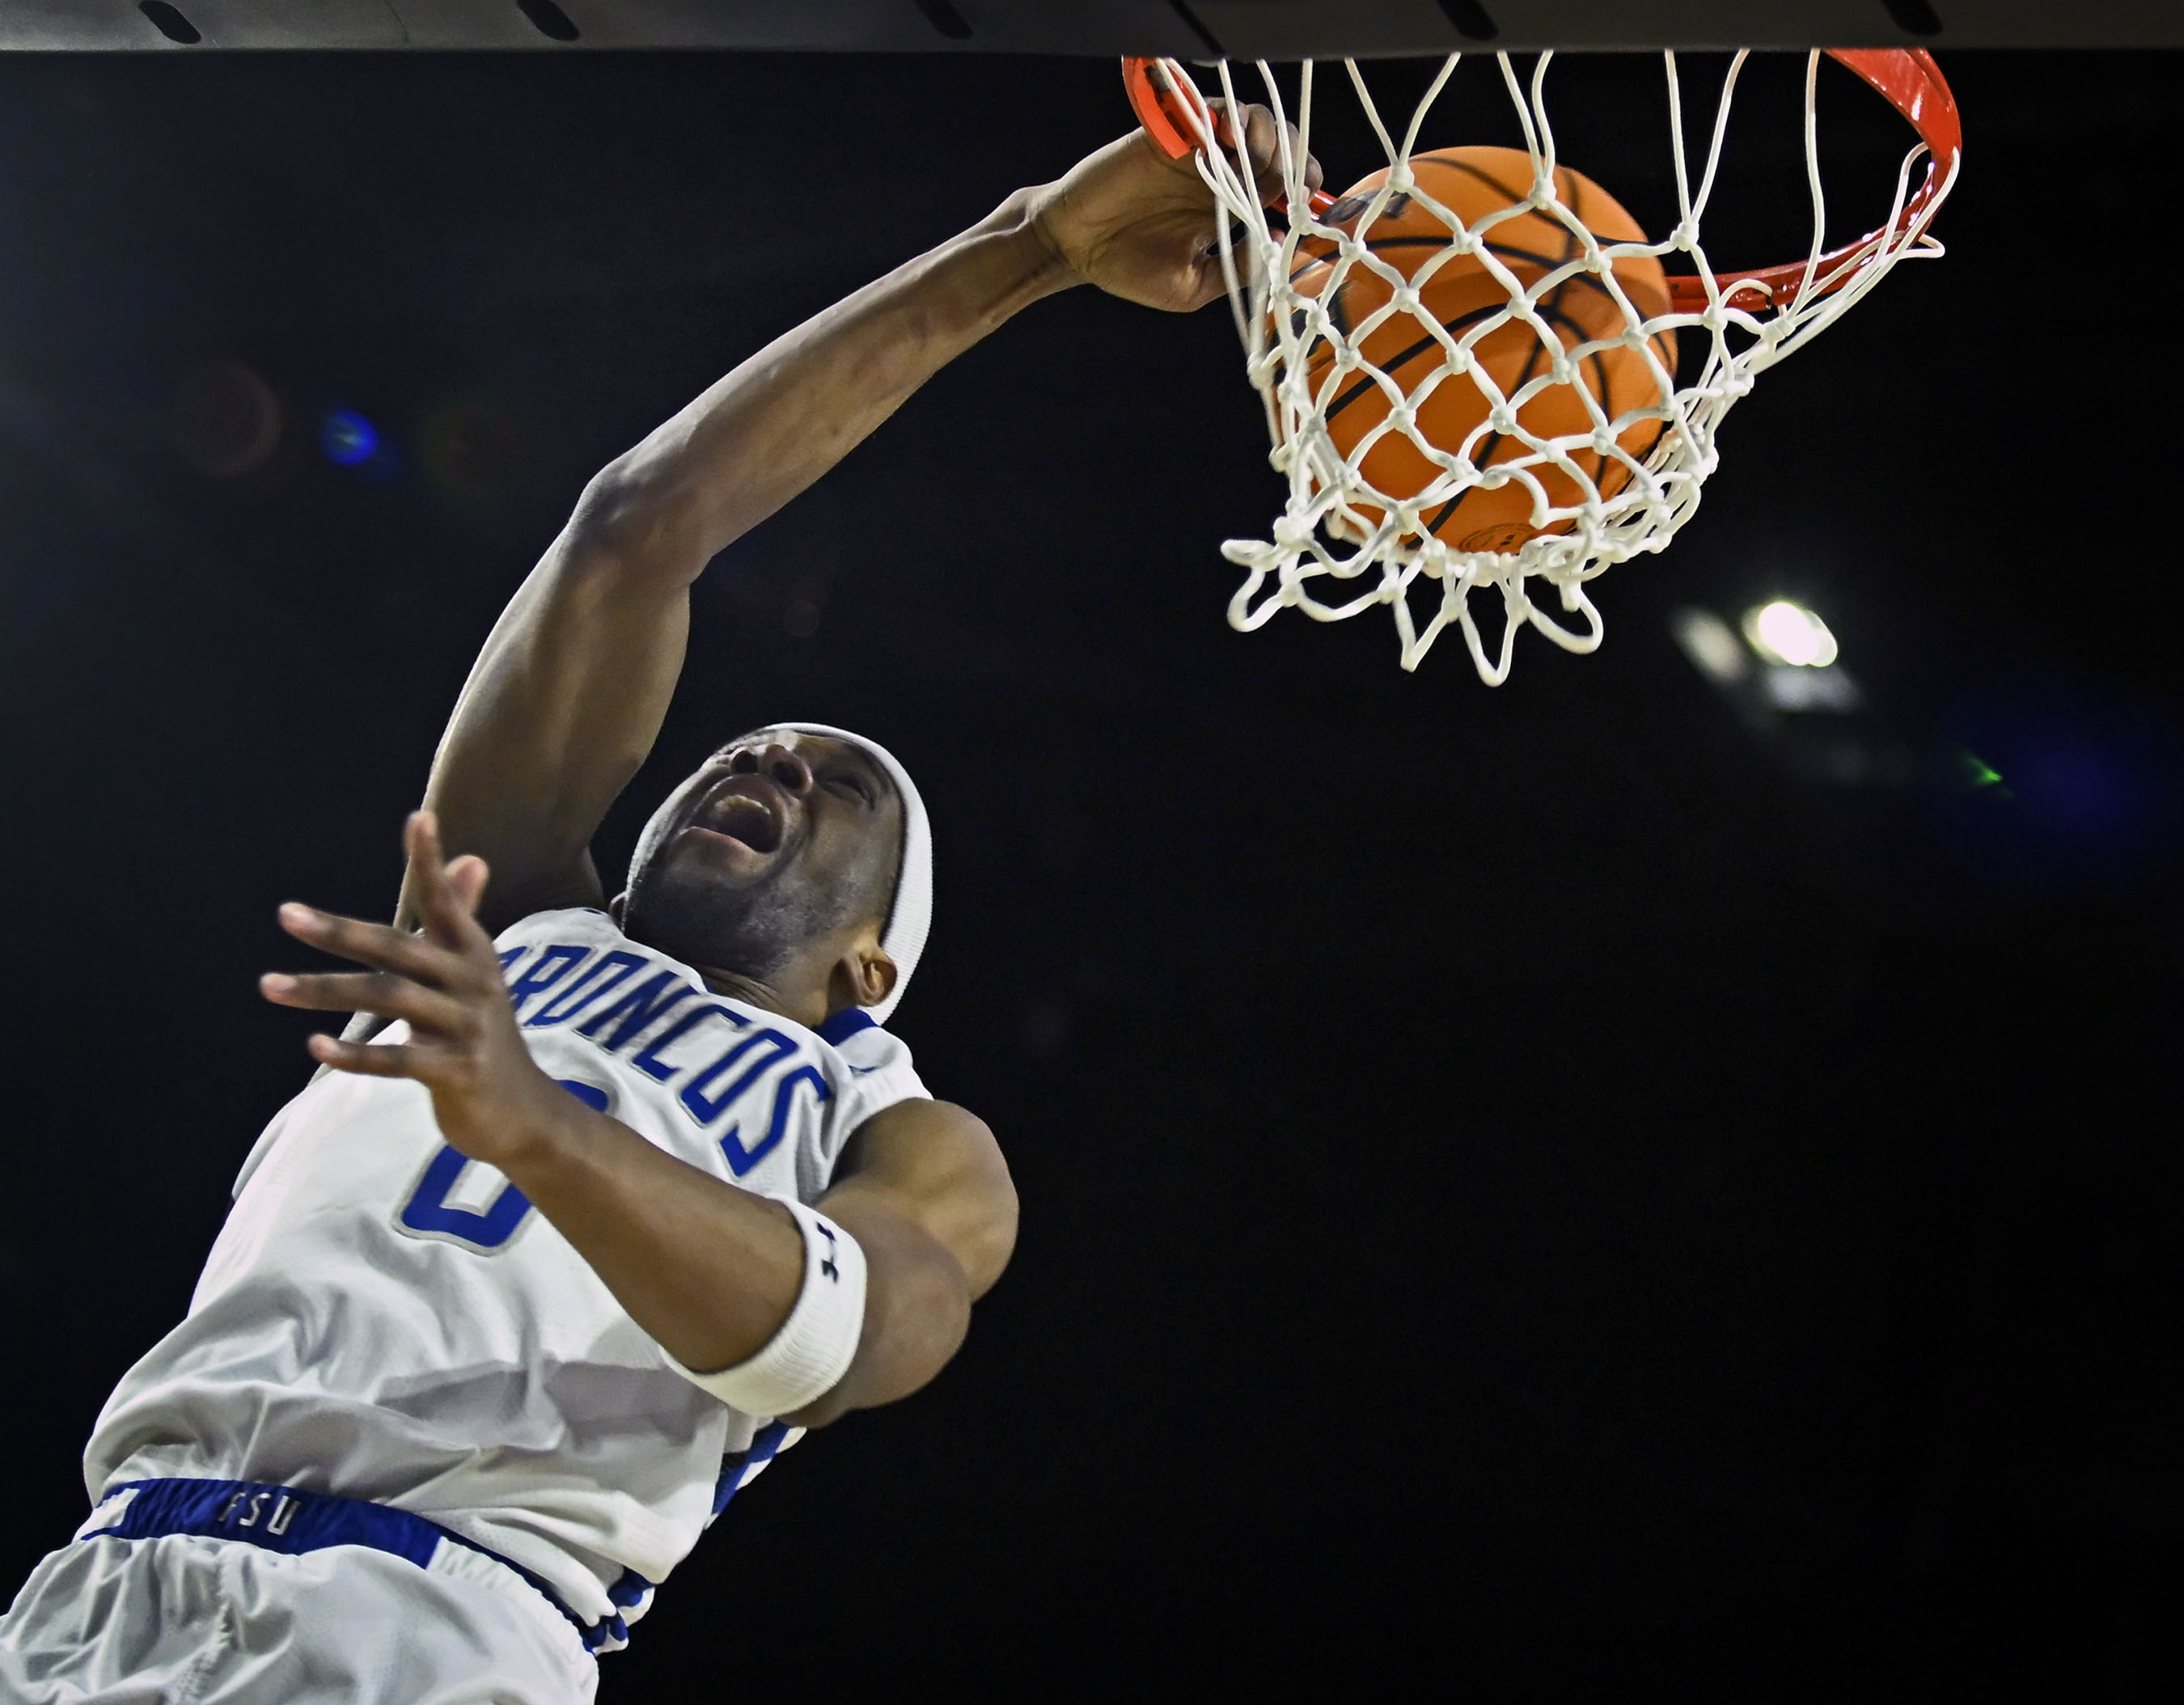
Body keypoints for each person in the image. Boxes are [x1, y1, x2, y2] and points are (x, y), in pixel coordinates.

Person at [0, 92, 1310, 1705]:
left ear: (869, 962)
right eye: (754, 745)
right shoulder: (512, 919)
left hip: (427, 1628)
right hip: (96, 1587)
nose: (767, 754)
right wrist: (1028, 247)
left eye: (841, 783)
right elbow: (634, 535)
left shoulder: (891, 1125)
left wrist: (536, 1118)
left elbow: (854, 1337)